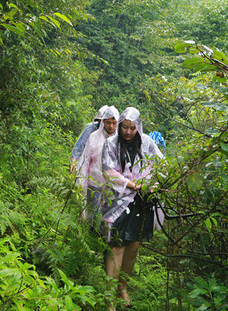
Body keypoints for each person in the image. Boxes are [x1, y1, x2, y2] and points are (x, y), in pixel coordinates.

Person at [99, 107, 164, 308]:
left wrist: (150, 183)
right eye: (124, 127)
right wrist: (130, 184)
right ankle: (109, 298)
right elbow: (108, 170)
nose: (127, 132)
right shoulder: (111, 143)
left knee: (134, 246)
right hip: (117, 201)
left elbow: (161, 164)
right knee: (117, 245)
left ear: (138, 127)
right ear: (119, 126)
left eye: (131, 128)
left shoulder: (147, 142)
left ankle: (122, 288)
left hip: (141, 201)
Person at [76, 106, 119, 221]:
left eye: (114, 123)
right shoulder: (94, 137)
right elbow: (85, 161)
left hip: (112, 186)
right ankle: (92, 236)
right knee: (93, 215)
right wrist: (81, 181)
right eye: (108, 122)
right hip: (94, 182)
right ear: (103, 122)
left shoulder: (120, 140)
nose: (111, 126)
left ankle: (104, 237)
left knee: (108, 216)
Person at [69, 105, 108, 174]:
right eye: (100, 121)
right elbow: (80, 145)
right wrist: (74, 161)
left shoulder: (112, 132)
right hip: (87, 162)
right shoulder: (90, 129)